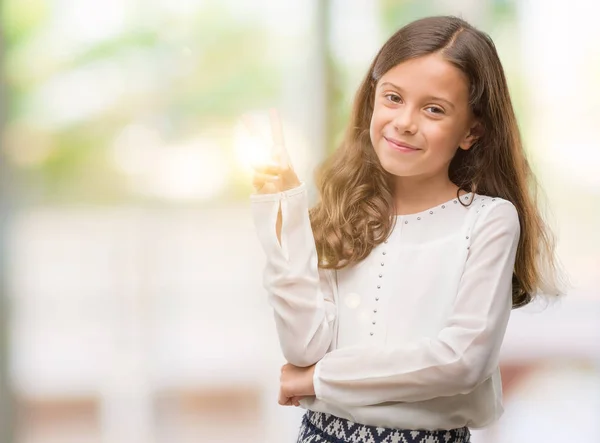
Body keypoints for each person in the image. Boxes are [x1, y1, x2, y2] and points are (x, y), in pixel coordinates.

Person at [249, 15, 563, 443]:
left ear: (471, 131)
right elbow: (304, 349)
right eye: (393, 98)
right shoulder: (342, 213)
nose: (405, 122)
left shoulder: (488, 220)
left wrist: (318, 381)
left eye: (434, 109)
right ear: (372, 101)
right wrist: (282, 216)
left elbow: (460, 361)